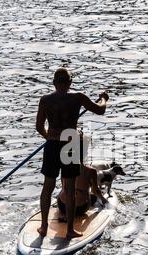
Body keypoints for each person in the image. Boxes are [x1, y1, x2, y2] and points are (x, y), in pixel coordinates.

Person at [36, 67, 108, 238]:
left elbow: (39, 127)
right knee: (69, 188)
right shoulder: (77, 97)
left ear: (54, 83)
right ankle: (69, 229)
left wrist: (50, 137)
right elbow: (100, 110)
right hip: (70, 146)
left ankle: (44, 227)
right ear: (70, 83)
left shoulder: (45, 100)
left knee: (48, 186)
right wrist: (104, 99)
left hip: (52, 145)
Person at [57, 134, 108, 222]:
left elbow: (63, 186)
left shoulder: (65, 167)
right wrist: (103, 200)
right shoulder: (90, 171)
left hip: (62, 205)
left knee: (65, 191)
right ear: (85, 153)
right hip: (80, 208)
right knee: (93, 196)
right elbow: (96, 190)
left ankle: (65, 214)